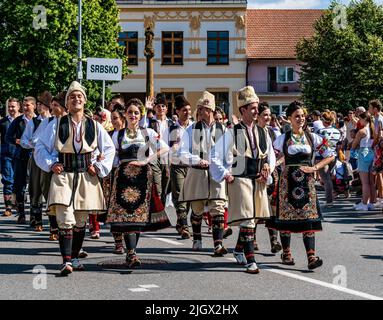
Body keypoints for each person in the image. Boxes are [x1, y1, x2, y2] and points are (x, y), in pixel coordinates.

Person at [34, 81, 115, 276]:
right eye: (72, 97)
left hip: (86, 176)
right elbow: (40, 147)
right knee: (64, 217)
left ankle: (75, 257)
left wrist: (99, 166)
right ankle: (67, 261)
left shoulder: (95, 126)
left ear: (84, 101)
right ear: (67, 103)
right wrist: (51, 164)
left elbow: (110, 149)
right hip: (63, 176)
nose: (76, 99)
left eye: (79, 96)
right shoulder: (57, 124)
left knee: (80, 221)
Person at [210, 86, 276, 273]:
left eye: (256, 107)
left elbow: (270, 154)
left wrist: (268, 168)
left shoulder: (264, 131)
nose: (256, 111)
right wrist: (226, 174)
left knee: (253, 220)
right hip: (240, 180)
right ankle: (251, 261)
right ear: (243, 110)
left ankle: (239, 250)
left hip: (258, 180)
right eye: (252, 108)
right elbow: (215, 155)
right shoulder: (233, 132)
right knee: (247, 221)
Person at [106, 98, 170, 268]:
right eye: (130, 112)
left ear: (140, 115)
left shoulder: (147, 132)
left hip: (143, 177)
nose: (133, 115)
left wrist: (146, 160)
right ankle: (131, 252)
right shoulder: (117, 134)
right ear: (125, 114)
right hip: (123, 178)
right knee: (126, 216)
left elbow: (164, 148)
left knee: (138, 216)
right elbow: (112, 157)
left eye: (136, 113)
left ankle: (132, 252)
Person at [273, 101, 335, 270]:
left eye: (302, 115)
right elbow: (273, 157)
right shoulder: (282, 138)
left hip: (307, 182)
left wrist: (315, 167)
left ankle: (311, 257)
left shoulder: (312, 137)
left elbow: (330, 154)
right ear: (289, 119)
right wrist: (275, 164)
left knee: (309, 218)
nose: (301, 119)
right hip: (287, 181)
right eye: (296, 116)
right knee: (285, 218)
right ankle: (286, 253)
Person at [179, 91, 228, 256]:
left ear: (212, 111)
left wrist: (226, 168)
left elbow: (230, 153)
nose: (200, 112)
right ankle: (197, 238)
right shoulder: (191, 129)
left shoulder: (223, 130)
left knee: (218, 208)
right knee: (198, 208)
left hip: (216, 174)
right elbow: (183, 152)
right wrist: (196, 159)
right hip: (198, 172)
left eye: (204, 109)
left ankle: (218, 244)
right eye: (199, 109)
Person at [33, 91, 67, 240]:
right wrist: (52, 163)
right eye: (51, 106)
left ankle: (69, 233)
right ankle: (55, 228)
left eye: (55, 106)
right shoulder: (51, 124)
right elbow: (40, 146)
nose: (52, 109)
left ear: (64, 107)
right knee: (52, 199)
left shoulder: (82, 123)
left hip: (71, 168)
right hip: (53, 167)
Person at [20, 91, 52, 231]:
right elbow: (23, 140)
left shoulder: (54, 120)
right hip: (36, 157)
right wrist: (33, 144)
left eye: (42, 104)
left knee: (50, 189)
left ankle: (54, 223)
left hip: (52, 159)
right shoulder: (33, 121)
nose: (39, 107)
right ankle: (36, 220)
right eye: (38, 104)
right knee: (35, 188)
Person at [5, 96, 37, 224]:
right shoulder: (18, 121)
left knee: (35, 187)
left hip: (36, 157)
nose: (24, 108)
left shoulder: (39, 120)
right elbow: (8, 137)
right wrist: (17, 141)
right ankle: (22, 213)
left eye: (27, 105)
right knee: (20, 185)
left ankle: (35, 216)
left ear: (34, 106)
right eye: (23, 105)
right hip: (21, 156)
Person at [168, 95, 193, 239]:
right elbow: (165, 146)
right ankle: (184, 226)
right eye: (184, 110)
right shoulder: (172, 127)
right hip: (177, 165)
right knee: (179, 195)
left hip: (191, 165)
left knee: (188, 196)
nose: (187, 112)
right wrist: (173, 147)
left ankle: (180, 222)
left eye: (189, 110)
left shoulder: (195, 126)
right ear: (177, 111)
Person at [352, 112, 377, 211]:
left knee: (365, 182)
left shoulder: (362, 131)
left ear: (364, 119)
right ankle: (371, 203)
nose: (359, 121)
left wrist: (353, 148)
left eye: (360, 119)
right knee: (371, 181)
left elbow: (354, 144)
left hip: (363, 153)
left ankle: (364, 204)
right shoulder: (373, 130)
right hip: (371, 152)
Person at [0, 98, 21, 217]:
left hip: (20, 155)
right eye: (9, 107)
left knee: (19, 181)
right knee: (8, 180)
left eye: (13, 106)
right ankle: (8, 206)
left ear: (18, 107)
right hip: (6, 155)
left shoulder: (23, 121)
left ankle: (18, 204)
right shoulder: (3, 122)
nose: (11, 109)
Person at [316, 111, 341, 208]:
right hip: (333, 156)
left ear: (324, 121)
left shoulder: (320, 131)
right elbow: (338, 145)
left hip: (322, 157)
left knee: (326, 179)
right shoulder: (337, 131)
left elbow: (318, 145)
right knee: (328, 178)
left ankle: (329, 201)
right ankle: (330, 198)